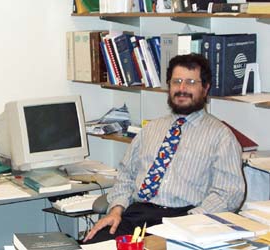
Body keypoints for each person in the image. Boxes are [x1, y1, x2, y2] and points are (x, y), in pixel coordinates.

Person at [83, 53, 245, 244]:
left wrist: (190, 222)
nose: (182, 89)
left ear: (205, 88)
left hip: (185, 217)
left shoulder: (221, 137)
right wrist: (116, 209)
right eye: (176, 81)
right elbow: (126, 175)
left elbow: (229, 192)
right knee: (92, 244)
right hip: (137, 213)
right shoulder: (150, 129)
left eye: (191, 82)